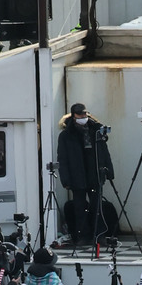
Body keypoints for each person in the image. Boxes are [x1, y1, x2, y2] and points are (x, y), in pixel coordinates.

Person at [57, 103, 115, 246]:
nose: (83, 117)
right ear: (73, 116)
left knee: (97, 206)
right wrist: (65, 179)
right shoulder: (66, 135)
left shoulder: (95, 130)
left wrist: (109, 170)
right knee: (80, 208)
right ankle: (83, 235)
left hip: (94, 172)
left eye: (84, 114)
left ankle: (99, 234)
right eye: (80, 115)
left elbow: (104, 152)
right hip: (77, 175)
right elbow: (62, 158)